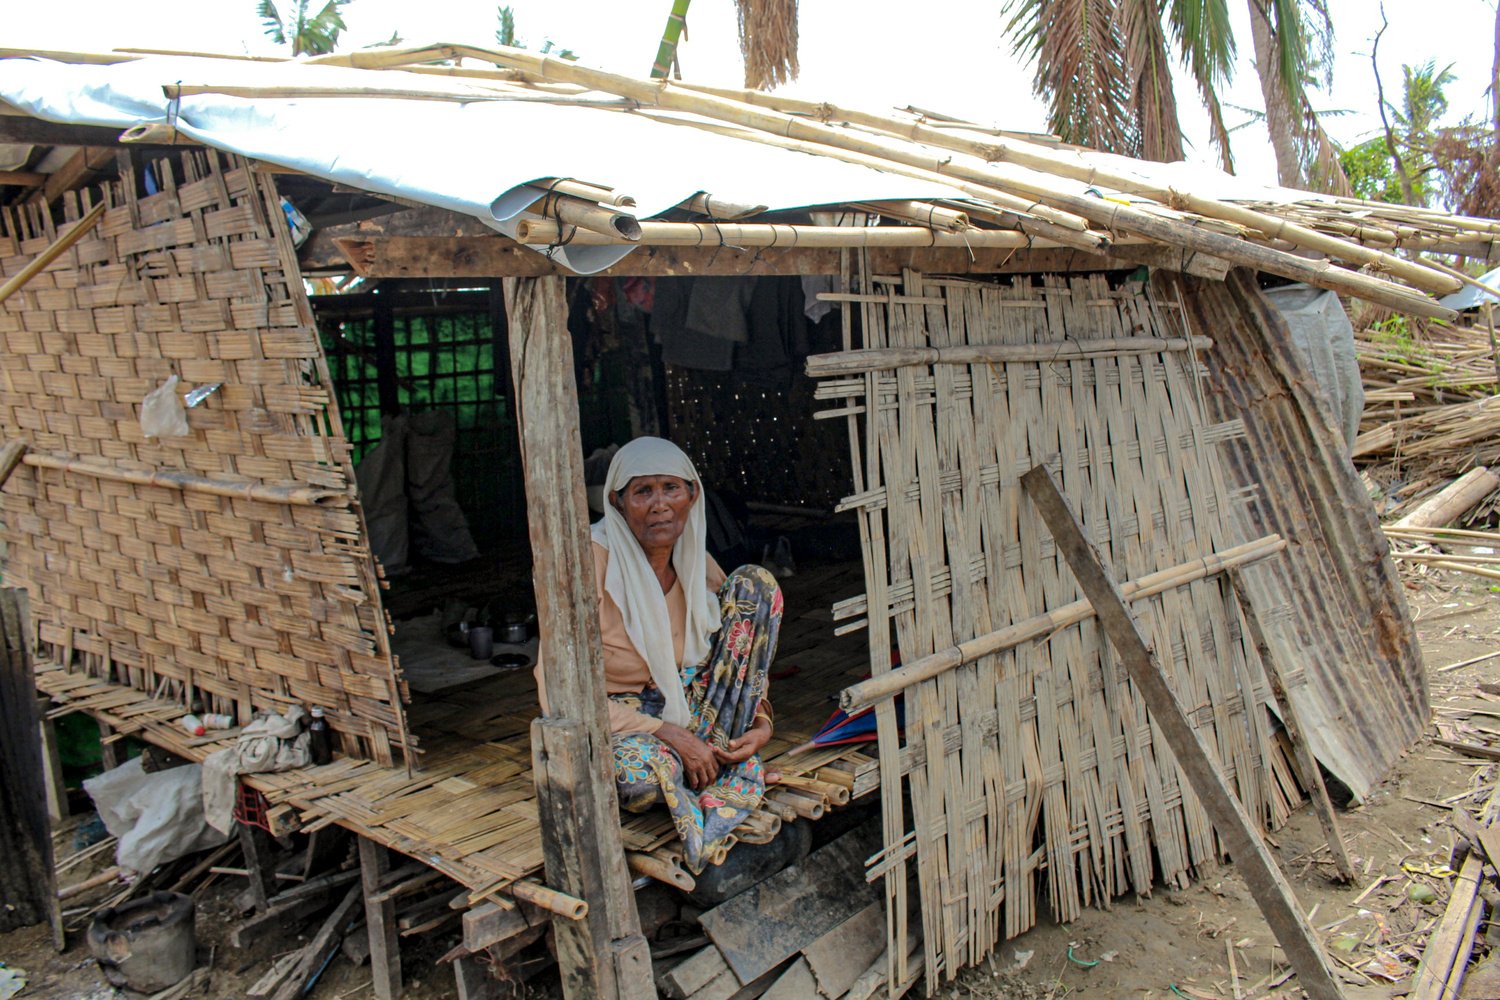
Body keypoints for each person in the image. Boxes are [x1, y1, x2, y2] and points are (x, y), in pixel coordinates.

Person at [535, 437, 782, 873]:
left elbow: (738, 657)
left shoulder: (695, 561)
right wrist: (667, 732)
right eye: (643, 491)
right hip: (621, 718)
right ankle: (702, 766)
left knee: (755, 586)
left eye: (671, 488)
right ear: (617, 502)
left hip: (696, 707)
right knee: (639, 780)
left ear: (693, 495)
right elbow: (558, 693)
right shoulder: (588, 563)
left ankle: (719, 754)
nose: (659, 505)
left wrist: (761, 722)